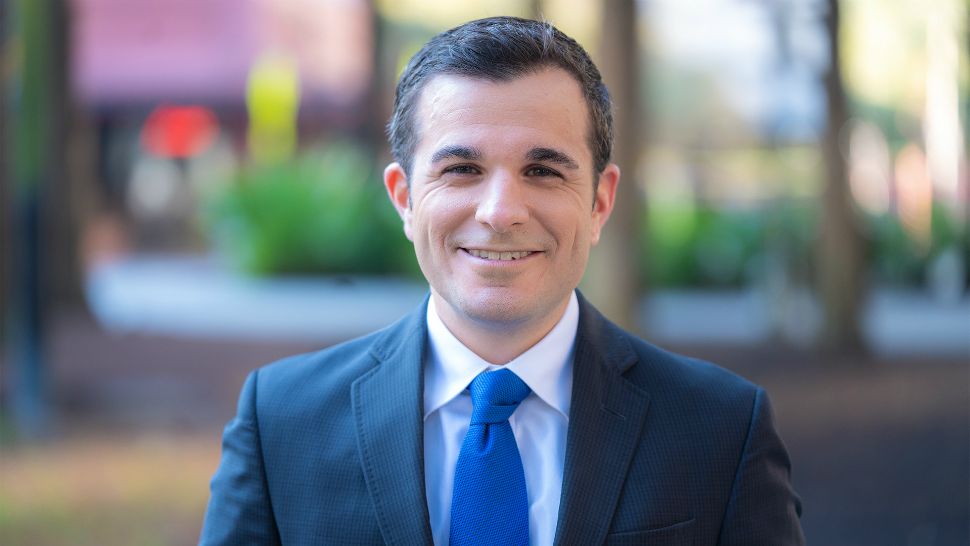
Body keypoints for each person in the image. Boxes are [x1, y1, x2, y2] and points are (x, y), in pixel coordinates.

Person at [200, 16, 804, 546]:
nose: (500, 211)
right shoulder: (281, 421)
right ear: (404, 198)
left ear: (600, 202)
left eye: (543, 171)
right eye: (462, 168)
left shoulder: (721, 430)